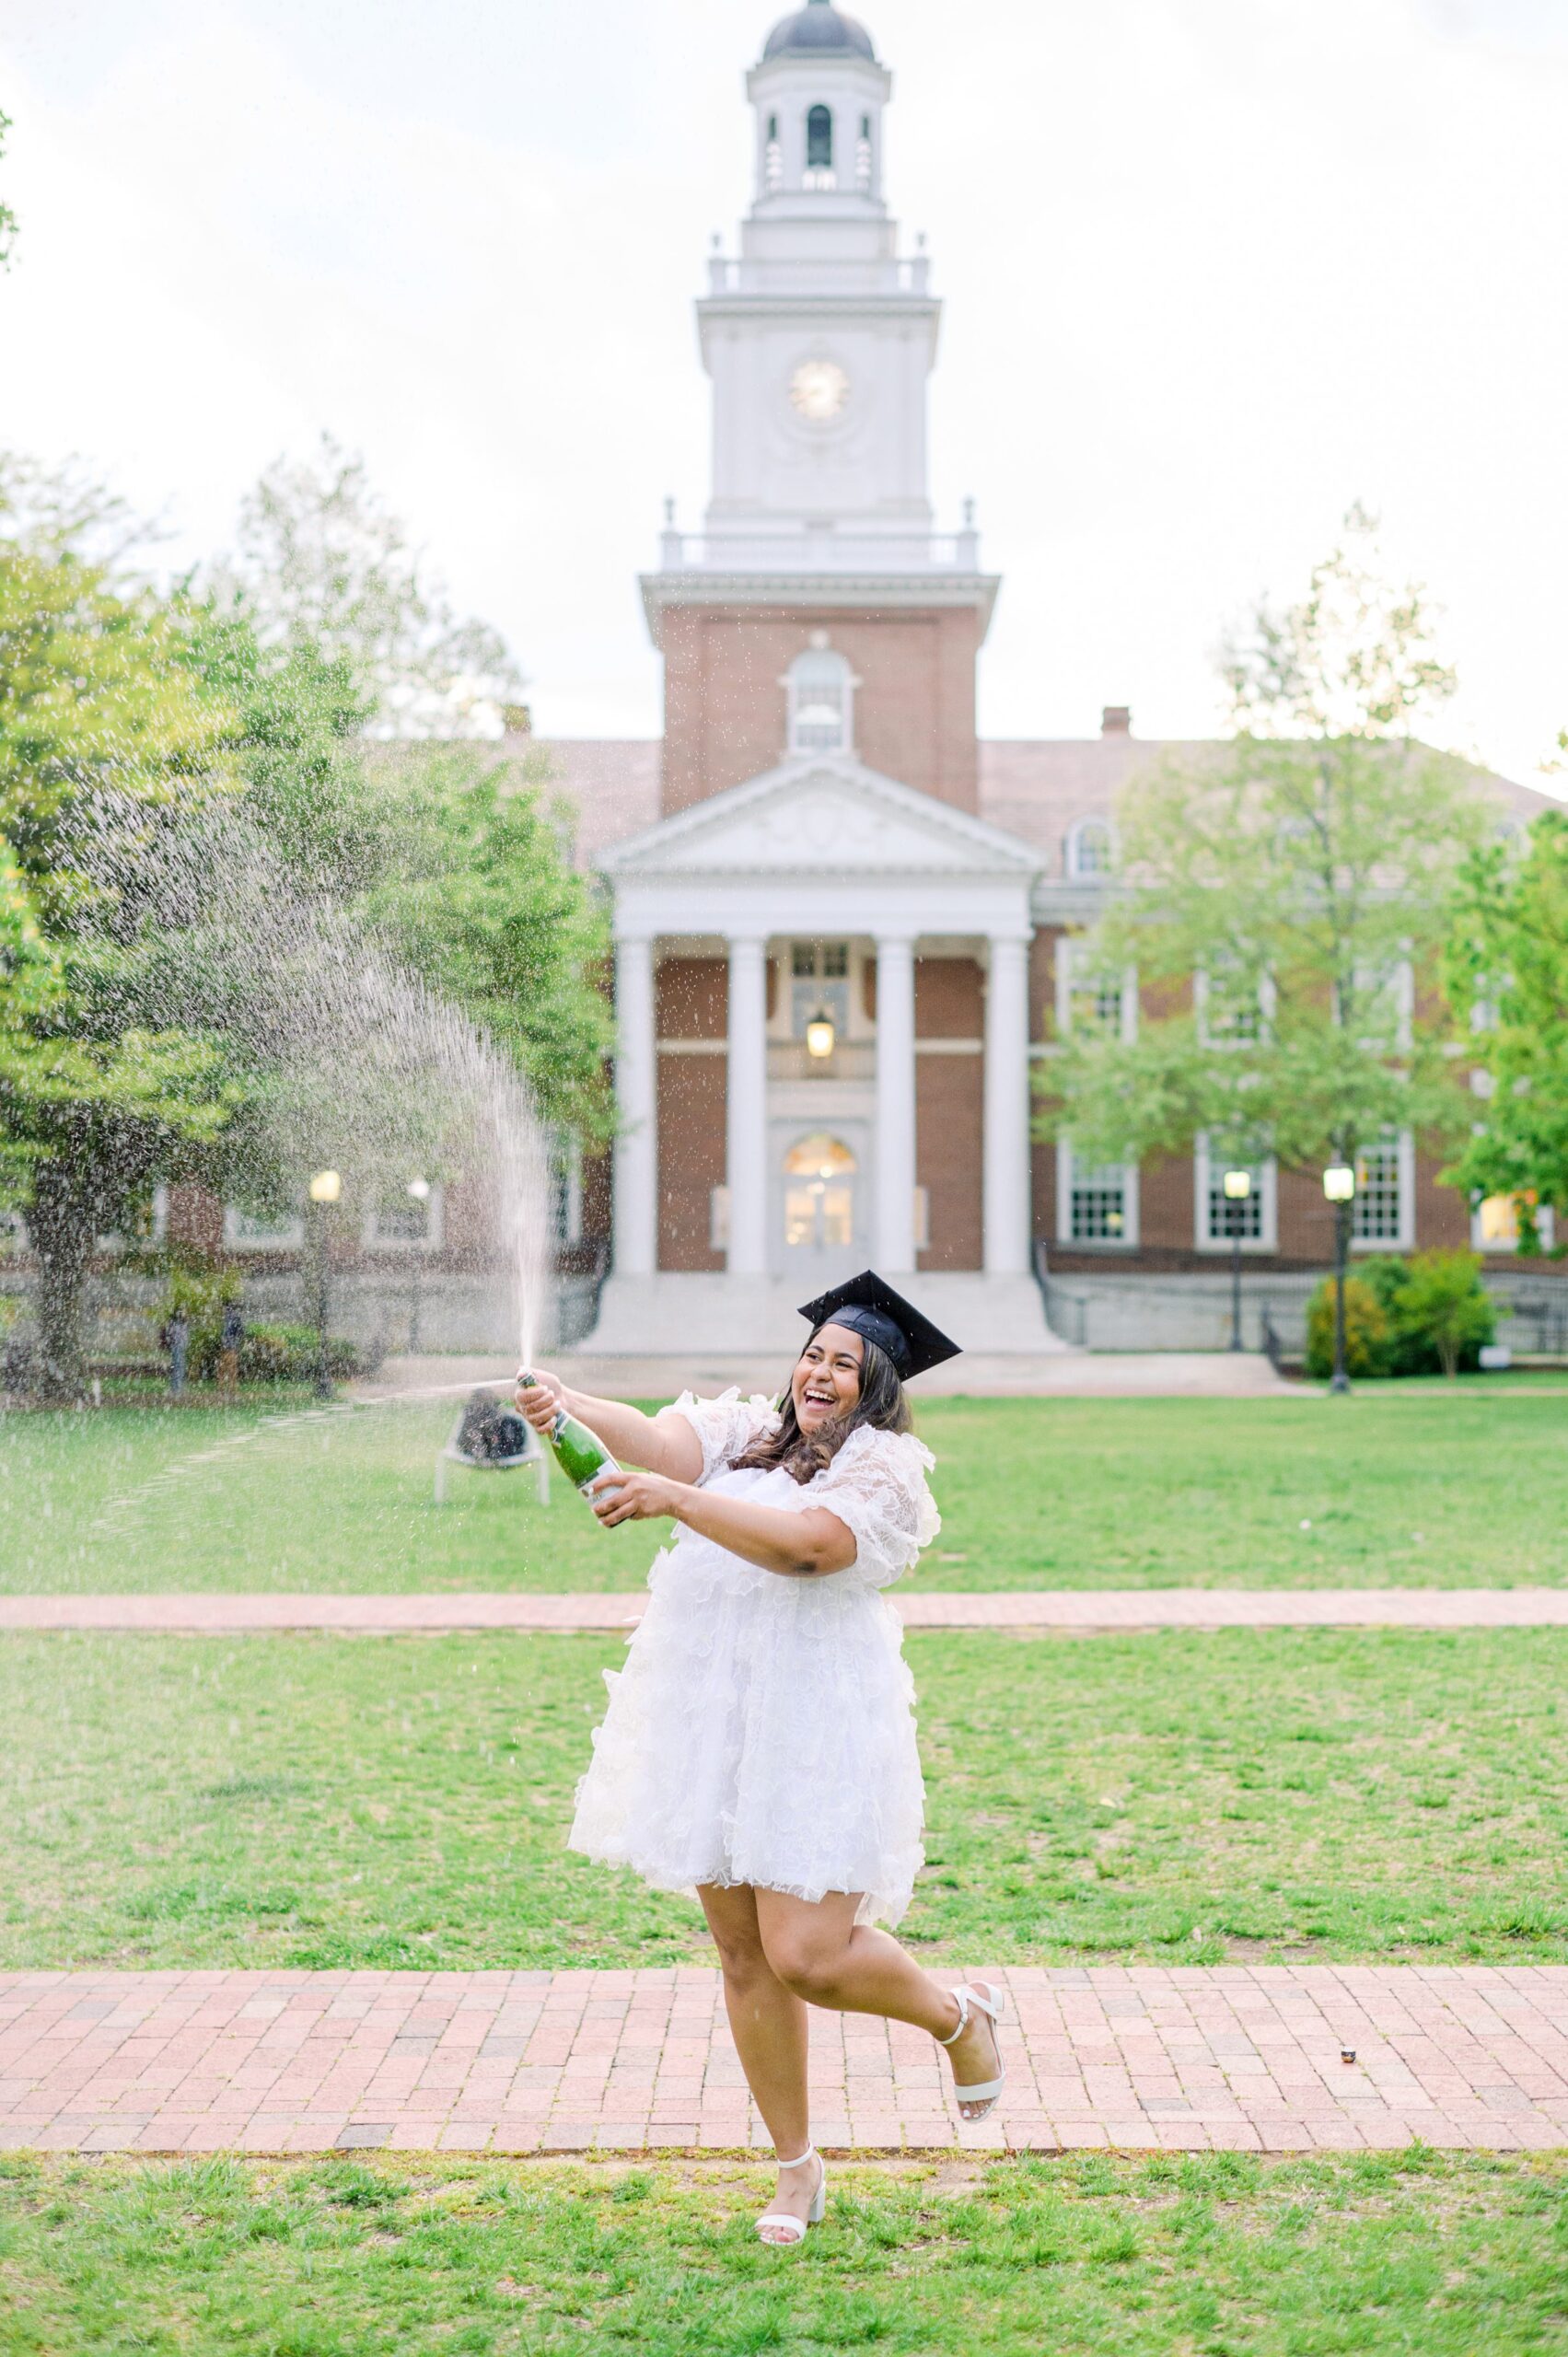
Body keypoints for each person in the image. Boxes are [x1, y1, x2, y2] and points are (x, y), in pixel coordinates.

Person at [516, 1271, 1005, 2248]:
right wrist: (567, 1403)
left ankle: (958, 2016)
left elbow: (806, 1549)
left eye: (843, 1363)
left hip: (810, 1722)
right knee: (743, 1957)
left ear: (875, 1386)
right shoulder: (747, 1429)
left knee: (809, 1955)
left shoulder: (884, 1472)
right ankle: (796, 2170)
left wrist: (674, 1503)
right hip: (711, 1713)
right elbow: (658, 1442)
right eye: (812, 1353)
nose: (818, 1373)